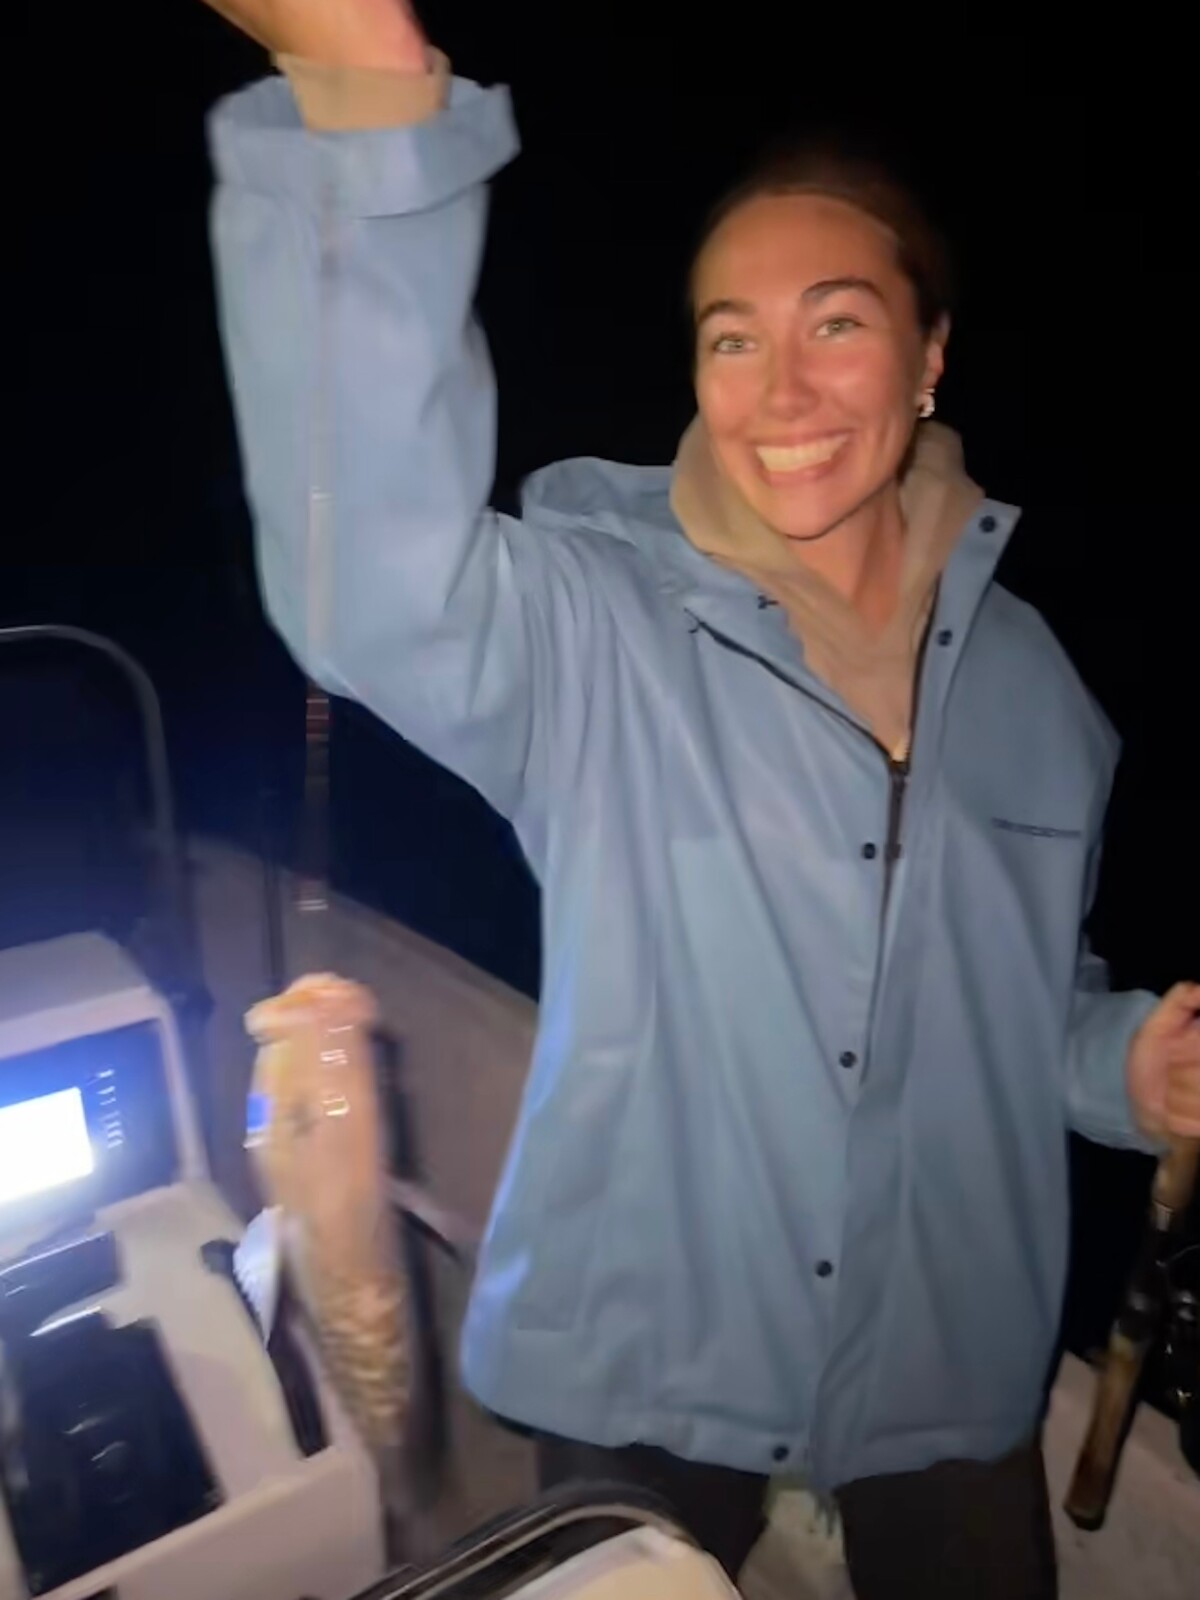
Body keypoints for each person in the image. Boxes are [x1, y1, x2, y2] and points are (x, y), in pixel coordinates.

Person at [200, 4, 1200, 1594]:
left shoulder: (1042, 699)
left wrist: (1125, 1062)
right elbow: (369, 585)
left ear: (931, 357)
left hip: (944, 1360)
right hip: (645, 1343)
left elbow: (1026, 998)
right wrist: (370, 105)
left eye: (836, 324)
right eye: (732, 338)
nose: (779, 389)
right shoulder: (595, 622)